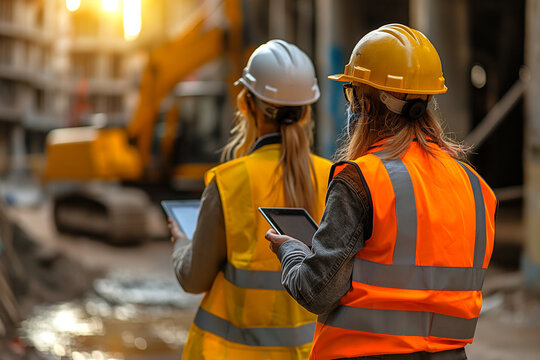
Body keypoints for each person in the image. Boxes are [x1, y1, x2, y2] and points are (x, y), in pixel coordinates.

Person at [266, 24, 497, 360]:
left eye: (352, 94)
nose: (351, 107)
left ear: (366, 101)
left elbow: (316, 291)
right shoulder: (476, 187)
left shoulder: (361, 179)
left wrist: (291, 252)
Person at [170, 39, 332, 359]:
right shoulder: (333, 178)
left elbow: (193, 277)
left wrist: (180, 243)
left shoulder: (229, 181)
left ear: (246, 104)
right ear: (305, 111)